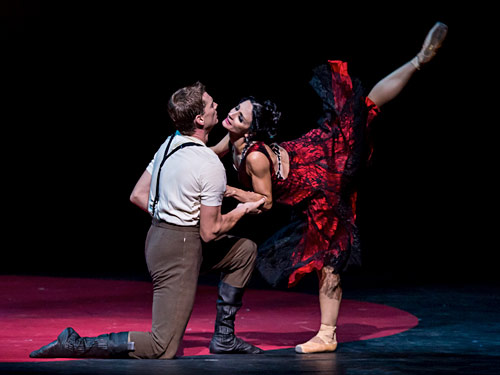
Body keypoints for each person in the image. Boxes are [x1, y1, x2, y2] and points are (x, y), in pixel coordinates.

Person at [216, 22, 448, 354]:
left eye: (239, 117)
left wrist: (234, 193)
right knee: (363, 110)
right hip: (310, 152)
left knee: (330, 257)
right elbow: (204, 152)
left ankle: (327, 334)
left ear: (252, 132)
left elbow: (266, 203)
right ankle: (415, 62)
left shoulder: (254, 158)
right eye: (235, 110)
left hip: (320, 183)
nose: (232, 115)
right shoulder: (234, 138)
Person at [29, 81, 266, 359]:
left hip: (160, 239)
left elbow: (138, 195)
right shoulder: (210, 165)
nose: (217, 106)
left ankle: (224, 338)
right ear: (200, 119)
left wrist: (170, 214)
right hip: (179, 248)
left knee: (243, 252)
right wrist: (242, 210)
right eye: (212, 104)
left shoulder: (171, 143)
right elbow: (211, 232)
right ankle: (75, 343)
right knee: (163, 348)